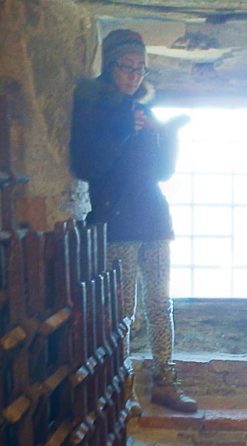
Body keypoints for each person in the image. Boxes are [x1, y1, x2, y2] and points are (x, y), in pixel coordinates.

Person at [69, 28, 197, 413]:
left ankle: (165, 381)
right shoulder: (96, 110)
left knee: (160, 303)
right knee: (122, 309)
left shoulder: (143, 109)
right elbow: (87, 166)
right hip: (117, 222)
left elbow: (160, 173)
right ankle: (120, 384)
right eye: (127, 67)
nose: (134, 76)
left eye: (140, 69)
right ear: (110, 67)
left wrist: (168, 136)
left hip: (154, 219)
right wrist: (125, 130)